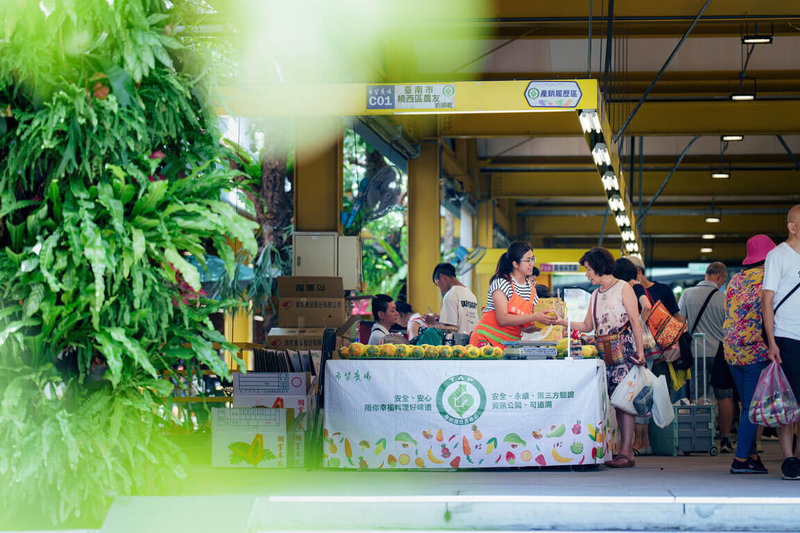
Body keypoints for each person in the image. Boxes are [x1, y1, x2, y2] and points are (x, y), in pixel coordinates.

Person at [556, 248, 645, 468]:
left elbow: (635, 320)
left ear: (599, 267)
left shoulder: (624, 288)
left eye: (588, 269)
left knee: (625, 401)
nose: (586, 274)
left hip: (625, 350)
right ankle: (622, 450)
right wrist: (561, 322)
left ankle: (627, 452)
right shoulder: (595, 295)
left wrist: (641, 352)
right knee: (615, 402)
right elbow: (587, 326)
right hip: (605, 352)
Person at [725, 234, 776, 474]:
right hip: (756, 350)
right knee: (751, 406)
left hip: (732, 352)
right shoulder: (769, 278)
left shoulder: (736, 280)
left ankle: (751, 454)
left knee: (747, 404)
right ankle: (741, 460)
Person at [679, 262, 735, 453]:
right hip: (721, 353)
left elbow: (679, 324)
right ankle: (725, 439)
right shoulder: (725, 298)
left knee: (698, 396)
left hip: (697, 353)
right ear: (719, 277)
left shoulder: (687, 294)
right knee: (724, 396)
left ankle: (700, 437)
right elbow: (730, 327)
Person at [762, 204, 800, 480]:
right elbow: (767, 299)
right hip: (787, 337)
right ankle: (789, 458)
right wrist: (772, 341)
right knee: (788, 402)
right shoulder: (778, 256)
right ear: (792, 226)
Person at [470, 242, 557, 347]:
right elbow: (502, 319)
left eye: (533, 259)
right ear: (515, 264)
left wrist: (540, 324)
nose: (532, 263)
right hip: (487, 341)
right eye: (528, 260)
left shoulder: (531, 290)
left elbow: (523, 327)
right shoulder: (502, 283)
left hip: (509, 345)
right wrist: (535, 316)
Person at [627, 255, 689, 402]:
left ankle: (661, 425)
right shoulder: (628, 292)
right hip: (640, 355)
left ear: (638, 272)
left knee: (661, 397)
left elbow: (678, 317)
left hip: (661, 356)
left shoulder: (663, 290)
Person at [614, 257, 655, 456]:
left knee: (639, 395)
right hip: (640, 346)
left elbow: (646, 306)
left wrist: (636, 324)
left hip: (640, 347)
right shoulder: (631, 287)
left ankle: (639, 442)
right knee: (639, 393)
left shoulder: (633, 288)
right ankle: (640, 442)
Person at [432, 262, 479, 336]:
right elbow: (463, 321)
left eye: (438, 284)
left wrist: (432, 323)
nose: (440, 289)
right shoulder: (471, 294)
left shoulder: (450, 295)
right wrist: (441, 319)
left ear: (442, 277)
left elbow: (452, 329)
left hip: (458, 345)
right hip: (472, 342)